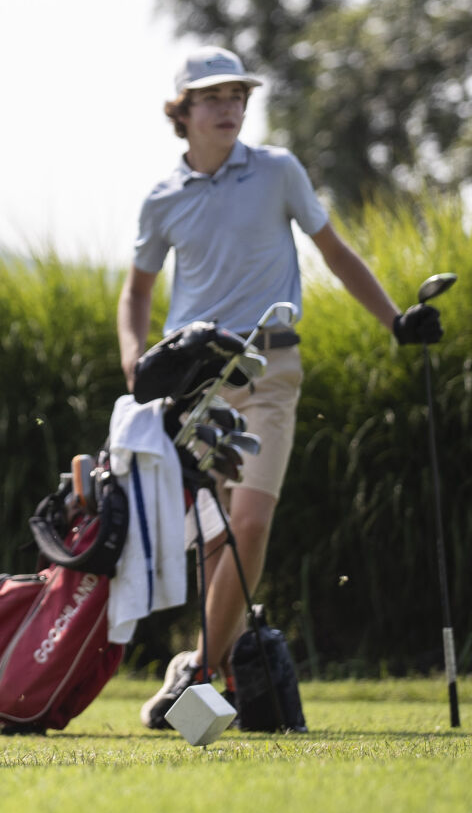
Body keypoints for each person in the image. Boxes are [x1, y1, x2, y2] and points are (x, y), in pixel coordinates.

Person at [117, 45, 441, 728]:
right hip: (195, 387)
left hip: (268, 369)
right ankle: (207, 673)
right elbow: (136, 290)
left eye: (235, 95)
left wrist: (394, 320)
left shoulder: (276, 171)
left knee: (251, 522)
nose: (227, 106)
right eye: (211, 97)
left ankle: (198, 669)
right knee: (214, 542)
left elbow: (334, 252)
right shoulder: (161, 199)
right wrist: (133, 359)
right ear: (182, 112)